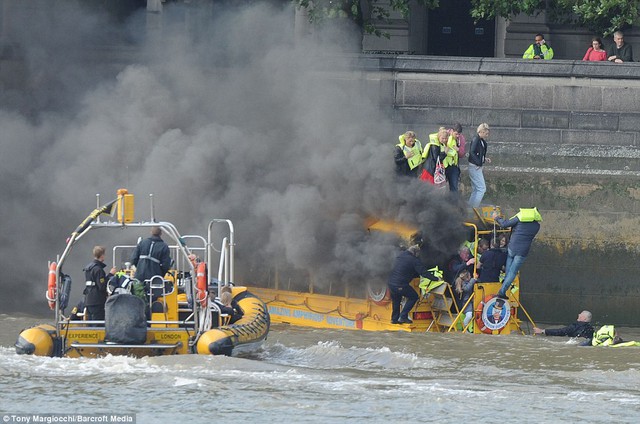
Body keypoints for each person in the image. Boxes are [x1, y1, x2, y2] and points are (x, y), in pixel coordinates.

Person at [387, 235, 440, 324]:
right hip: (400, 284)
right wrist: (435, 278)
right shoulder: (414, 260)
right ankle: (403, 316)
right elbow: (423, 272)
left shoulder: (401, 255)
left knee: (396, 300)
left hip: (391, 284)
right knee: (413, 296)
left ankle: (394, 319)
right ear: (415, 253)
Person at [492, 208, 542, 299]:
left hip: (512, 248)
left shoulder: (519, 219)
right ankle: (502, 292)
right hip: (522, 252)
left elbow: (504, 224)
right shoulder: (537, 226)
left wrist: (497, 218)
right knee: (513, 272)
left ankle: (504, 287)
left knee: (509, 271)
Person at [83, 245, 116, 321]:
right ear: (102, 256)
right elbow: (102, 286)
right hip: (97, 301)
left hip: (88, 299)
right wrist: (110, 274)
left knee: (90, 324)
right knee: (98, 324)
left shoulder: (88, 268)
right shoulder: (98, 269)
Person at [468, 123, 491, 208]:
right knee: (482, 189)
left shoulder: (481, 141)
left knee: (475, 189)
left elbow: (478, 153)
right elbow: (472, 152)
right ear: (481, 131)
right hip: (475, 167)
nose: (487, 135)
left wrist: (484, 158)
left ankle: (469, 208)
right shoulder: (476, 139)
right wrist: (479, 163)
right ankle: (474, 208)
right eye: (486, 133)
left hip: (476, 166)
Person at [443, 123, 463, 192]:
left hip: (453, 165)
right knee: (442, 187)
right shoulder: (444, 136)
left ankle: (454, 202)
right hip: (443, 166)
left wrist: (458, 150)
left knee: (454, 187)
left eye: (459, 134)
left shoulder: (460, 139)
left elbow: (461, 153)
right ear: (452, 131)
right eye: (456, 134)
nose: (457, 136)